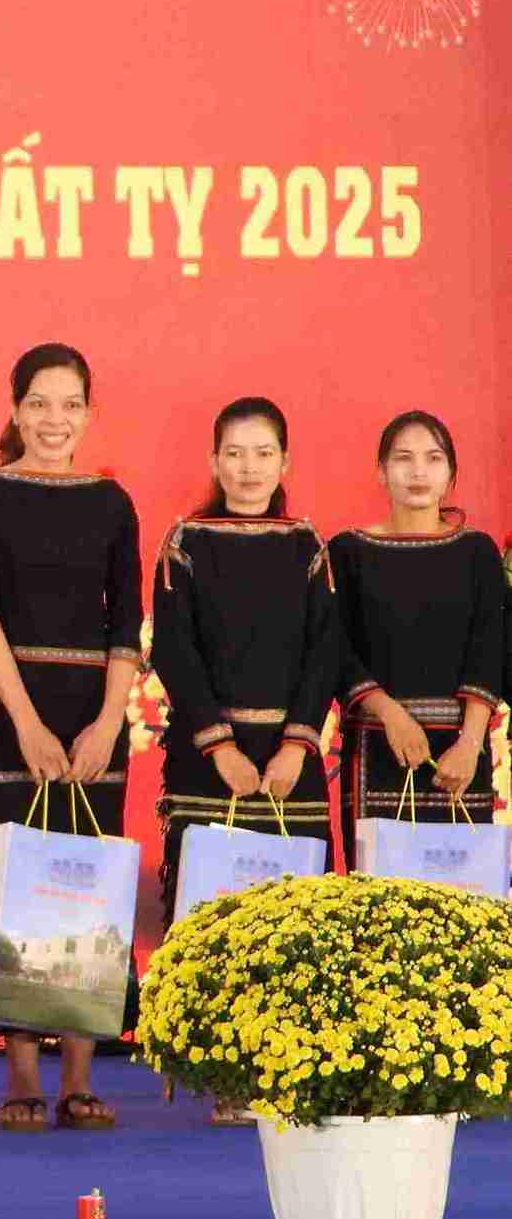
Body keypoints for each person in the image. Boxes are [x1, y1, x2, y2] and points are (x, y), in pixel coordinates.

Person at [0, 344, 141, 1134]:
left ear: (87, 413)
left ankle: (81, 1074)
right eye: (38, 403)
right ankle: (21, 1072)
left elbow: (125, 622)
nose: (53, 420)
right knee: (20, 887)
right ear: (15, 409)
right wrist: (26, 722)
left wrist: (107, 722)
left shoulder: (111, 500)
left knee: (89, 890)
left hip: (95, 712)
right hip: (11, 708)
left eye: (68, 405)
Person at [147, 397, 343, 1125]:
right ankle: (223, 1075)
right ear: (213, 461)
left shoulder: (306, 545)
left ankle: (289, 1070)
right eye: (234, 453)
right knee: (214, 920)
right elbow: (175, 650)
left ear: (284, 462)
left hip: (291, 766)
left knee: (294, 922)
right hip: (209, 765)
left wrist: (297, 743)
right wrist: (219, 744)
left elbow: (325, 650)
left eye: (263, 454)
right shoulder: (185, 543)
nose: (249, 468)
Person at [328, 411, 503, 842]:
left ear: (451, 474)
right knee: (375, 883)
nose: (418, 472)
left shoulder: (477, 552)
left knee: (462, 881)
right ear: (381, 472)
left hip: (461, 758)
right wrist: (390, 715)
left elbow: (490, 647)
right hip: (377, 749)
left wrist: (470, 744)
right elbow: (333, 649)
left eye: (433, 458)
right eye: (404, 458)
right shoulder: (348, 552)